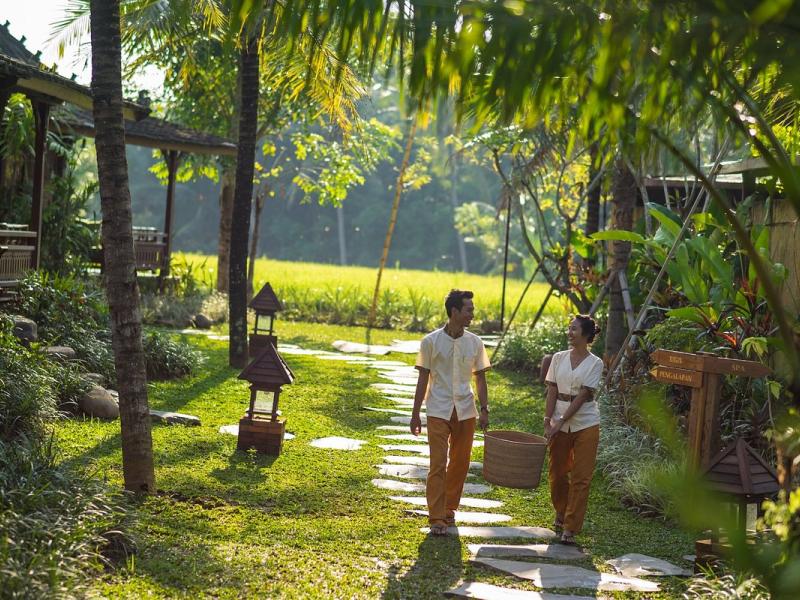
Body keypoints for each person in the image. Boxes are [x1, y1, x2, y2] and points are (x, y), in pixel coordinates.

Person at [411, 289, 491, 536]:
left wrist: (484, 409)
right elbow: (423, 379)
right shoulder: (430, 342)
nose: (472, 314)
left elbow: (480, 379)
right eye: (469, 310)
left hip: (466, 409)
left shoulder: (475, 342)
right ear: (454, 311)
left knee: (460, 463)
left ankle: (449, 509)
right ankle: (436, 517)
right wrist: (415, 413)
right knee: (437, 463)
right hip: (438, 408)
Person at [543, 314, 604, 545]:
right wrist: (548, 419)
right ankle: (561, 512)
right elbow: (552, 390)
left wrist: (561, 421)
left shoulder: (595, 363)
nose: (570, 333)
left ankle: (570, 527)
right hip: (558, 419)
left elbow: (582, 396)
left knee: (581, 477)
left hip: (586, 422)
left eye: (574, 329)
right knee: (557, 472)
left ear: (586, 334)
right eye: (569, 328)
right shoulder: (558, 358)